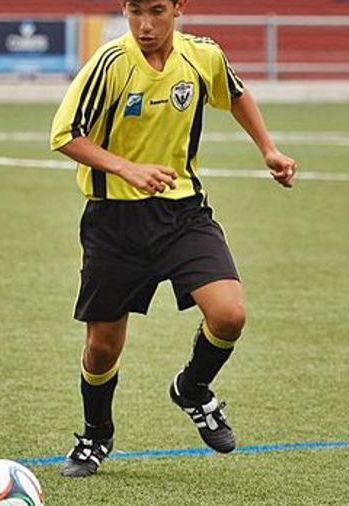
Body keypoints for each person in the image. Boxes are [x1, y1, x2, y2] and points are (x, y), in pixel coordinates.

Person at [49, 0, 297, 478]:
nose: (145, 24)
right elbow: (64, 134)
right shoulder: (109, 65)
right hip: (114, 222)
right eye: (135, 11)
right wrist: (128, 169)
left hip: (183, 213)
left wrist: (268, 148)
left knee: (229, 314)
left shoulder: (202, 56)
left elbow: (236, 92)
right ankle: (96, 435)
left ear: (179, 7)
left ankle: (192, 387)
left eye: (157, 11)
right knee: (103, 346)